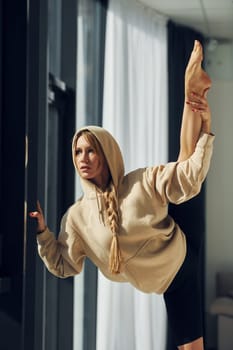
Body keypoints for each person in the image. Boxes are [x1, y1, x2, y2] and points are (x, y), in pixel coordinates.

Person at [30, 40, 214, 350]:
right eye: (77, 151)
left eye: (91, 150)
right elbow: (65, 265)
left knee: (184, 159)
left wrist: (207, 127)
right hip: (170, 280)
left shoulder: (141, 182)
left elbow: (189, 176)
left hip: (182, 241)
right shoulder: (76, 218)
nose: (83, 157)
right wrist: (43, 235)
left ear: (107, 153)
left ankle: (191, 90)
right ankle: (193, 89)